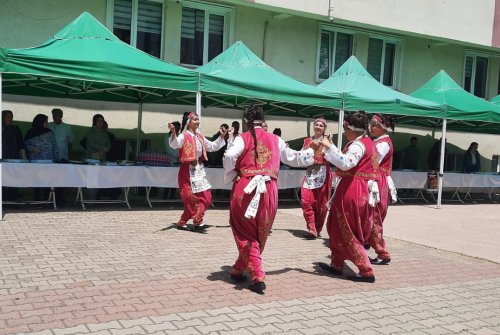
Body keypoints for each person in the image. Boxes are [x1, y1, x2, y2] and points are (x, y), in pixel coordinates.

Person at [223, 105, 315, 294]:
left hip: (246, 187)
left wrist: (232, 174)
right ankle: (239, 268)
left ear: (245, 120)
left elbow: (229, 155)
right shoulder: (276, 139)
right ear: (263, 120)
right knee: (259, 231)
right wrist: (311, 151)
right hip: (269, 189)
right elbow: (295, 158)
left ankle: (257, 273)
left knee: (243, 229)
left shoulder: (243, 138)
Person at [316, 111, 379, 283]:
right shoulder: (368, 143)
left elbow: (346, 163)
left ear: (352, 128)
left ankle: (366, 270)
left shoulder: (358, 145)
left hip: (353, 188)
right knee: (336, 225)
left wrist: (329, 147)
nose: (343, 131)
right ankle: (337, 263)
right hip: (358, 187)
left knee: (347, 228)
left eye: (345, 127)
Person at [168, 112, 226, 231]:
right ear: (189, 122)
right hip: (187, 170)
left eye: (198, 119)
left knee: (207, 196)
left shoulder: (200, 137)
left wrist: (221, 137)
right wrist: (174, 132)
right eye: (195, 119)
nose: (197, 122)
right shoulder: (184, 135)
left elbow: (212, 146)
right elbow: (175, 144)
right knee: (190, 198)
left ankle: (190, 220)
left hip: (199, 170)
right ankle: (193, 221)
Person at [367, 114, 396, 265]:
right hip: (376, 179)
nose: (371, 127)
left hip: (378, 181)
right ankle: (367, 242)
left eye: (374, 125)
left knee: (375, 218)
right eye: (370, 124)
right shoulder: (379, 141)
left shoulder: (383, 143)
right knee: (370, 216)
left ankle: (382, 253)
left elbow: (373, 161)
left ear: (382, 127)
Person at [300, 118, 333, 240]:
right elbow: (302, 155)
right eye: (316, 125)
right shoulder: (307, 140)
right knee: (306, 201)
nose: (318, 127)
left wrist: (329, 143)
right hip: (310, 172)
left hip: (323, 172)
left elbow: (332, 155)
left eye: (321, 125)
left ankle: (317, 229)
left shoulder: (327, 140)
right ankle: (311, 227)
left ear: (324, 128)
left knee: (321, 204)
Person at [24, 114, 59, 201]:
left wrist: (56, 160)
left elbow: (55, 146)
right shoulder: (30, 132)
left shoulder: (50, 132)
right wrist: (32, 149)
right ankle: (37, 200)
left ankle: (47, 200)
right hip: (36, 162)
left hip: (48, 163)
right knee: (36, 181)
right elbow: (24, 146)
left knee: (47, 182)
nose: (47, 123)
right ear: (41, 122)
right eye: (46, 121)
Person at [2, 110, 27, 201]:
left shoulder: (16, 128)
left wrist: (24, 157)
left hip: (14, 158)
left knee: (13, 180)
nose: (9, 118)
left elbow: (21, 143)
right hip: (2, 159)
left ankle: (12, 200)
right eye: (7, 116)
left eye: (11, 117)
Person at [163, 121, 181, 199]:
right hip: (170, 161)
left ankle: (172, 195)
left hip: (179, 161)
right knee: (168, 179)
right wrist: (177, 157)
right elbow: (169, 150)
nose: (177, 129)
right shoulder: (166, 137)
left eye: (178, 127)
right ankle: (165, 196)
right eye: (175, 127)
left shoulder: (180, 136)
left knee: (175, 179)